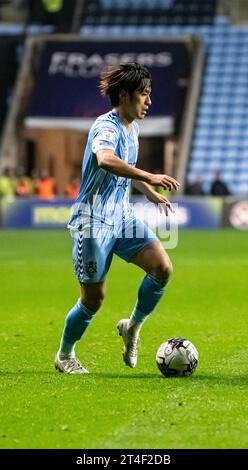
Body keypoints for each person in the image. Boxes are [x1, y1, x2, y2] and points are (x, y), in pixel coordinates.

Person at [55, 62, 180, 374]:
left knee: (162, 268)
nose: (148, 101)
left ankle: (132, 327)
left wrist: (147, 191)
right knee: (93, 300)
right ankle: (65, 355)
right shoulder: (106, 127)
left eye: (149, 94)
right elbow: (107, 159)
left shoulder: (132, 127)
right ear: (124, 95)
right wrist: (150, 175)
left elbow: (123, 165)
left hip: (121, 216)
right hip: (92, 222)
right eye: (143, 94)